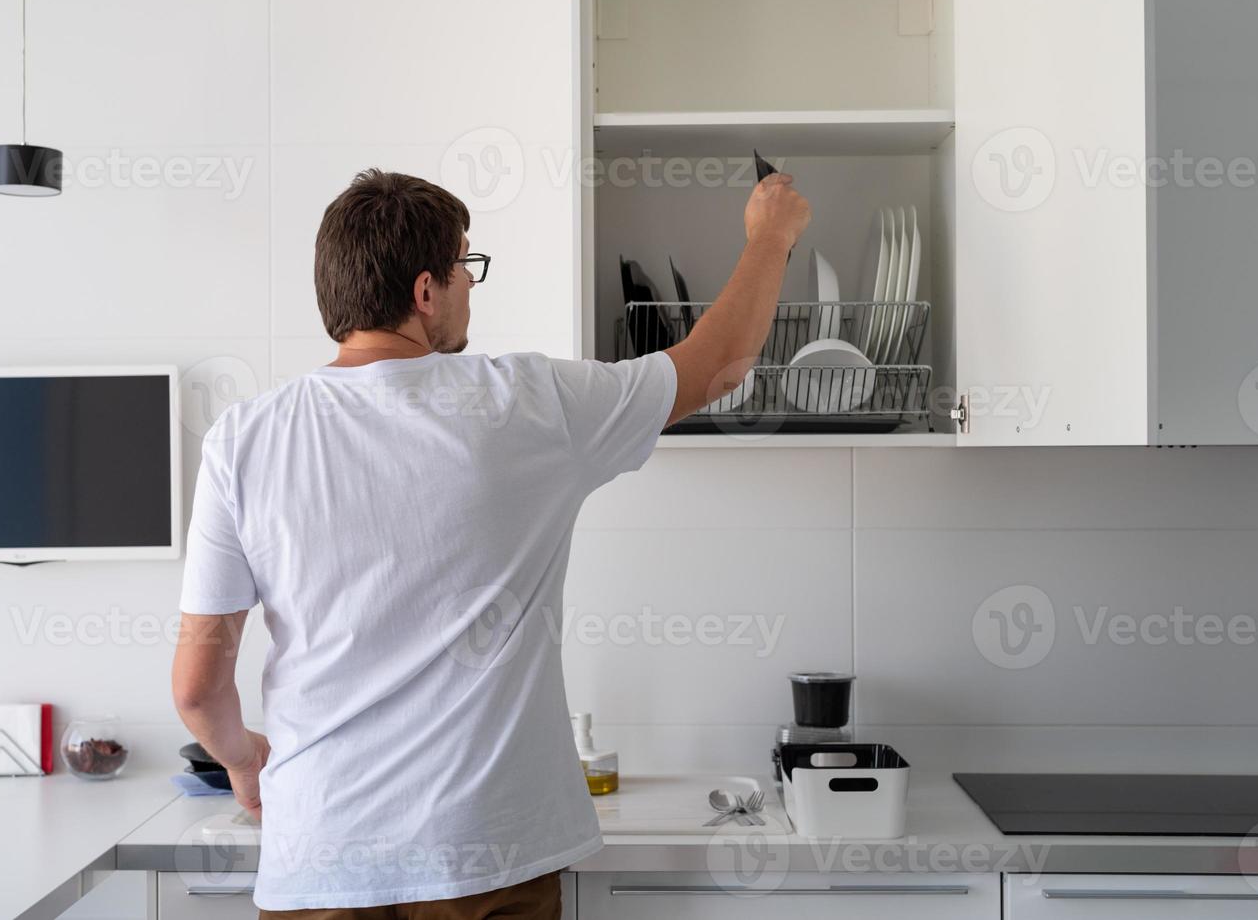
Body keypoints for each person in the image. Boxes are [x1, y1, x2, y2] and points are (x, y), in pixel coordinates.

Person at [171, 168, 812, 919]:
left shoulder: (243, 439)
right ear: (424, 291)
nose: (470, 285)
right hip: (485, 857)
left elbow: (195, 689)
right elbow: (716, 366)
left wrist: (245, 763)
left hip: (320, 858)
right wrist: (771, 237)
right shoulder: (530, 404)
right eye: (464, 266)